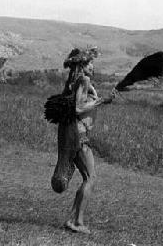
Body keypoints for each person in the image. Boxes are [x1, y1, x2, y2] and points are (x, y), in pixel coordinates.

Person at [50, 47, 116, 234]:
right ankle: (77, 222)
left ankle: (73, 219)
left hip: (74, 134)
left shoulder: (72, 82)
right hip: (79, 136)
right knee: (90, 178)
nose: (93, 67)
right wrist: (99, 101)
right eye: (90, 63)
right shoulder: (84, 80)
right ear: (82, 65)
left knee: (88, 177)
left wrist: (103, 100)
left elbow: (80, 105)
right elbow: (78, 108)